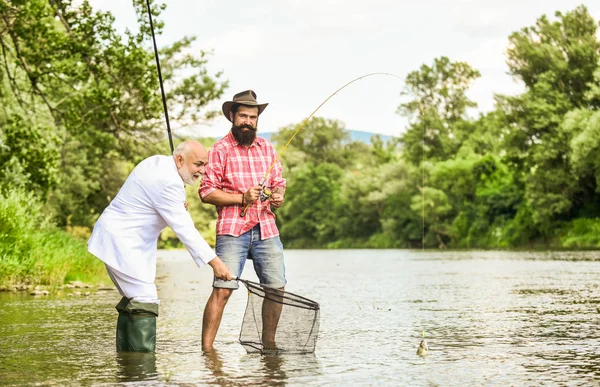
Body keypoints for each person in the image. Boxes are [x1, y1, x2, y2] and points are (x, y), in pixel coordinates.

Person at [88, 140, 233, 353]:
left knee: (136, 298)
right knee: (144, 299)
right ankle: (143, 372)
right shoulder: (168, 182)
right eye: (198, 164)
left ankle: (128, 365)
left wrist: (174, 205)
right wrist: (216, 263)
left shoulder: (157, 162)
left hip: (122, 241)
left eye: (204, 165)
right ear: (180, 160)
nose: (202, 171)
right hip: (122, 243)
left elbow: (149, 204)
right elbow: (185, 230)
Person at [199, 90, 286, 352]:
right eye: (243, 116)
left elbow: (278, 183)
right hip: (232, 229)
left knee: (275, 288)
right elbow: (206, 192)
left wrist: (278, 196)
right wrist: (242, 197)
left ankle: (268, 346)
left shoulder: (267, 147)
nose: (248, 121)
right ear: (232, 116)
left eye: (253, 116)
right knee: (223, 289)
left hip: (266, 227)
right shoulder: (219, 149)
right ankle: (207, 350)